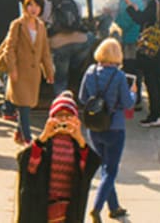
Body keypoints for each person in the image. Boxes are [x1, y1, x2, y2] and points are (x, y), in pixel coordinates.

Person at [15, 92, 101, 223]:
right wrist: (44, 135)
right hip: (43, 209)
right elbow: (29, 167)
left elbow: (87, 169)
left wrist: (80, 138)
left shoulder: (77, 145)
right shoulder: (45, 143)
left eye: (69, 116)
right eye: (59, 115)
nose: (64, 119)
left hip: (68, 212)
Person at [80, 38, 139, 221]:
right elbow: (128, 103)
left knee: (105, 167)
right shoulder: (119, 76)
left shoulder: (90, 72)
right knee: (111, 170)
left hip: (94, 127)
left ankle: (114, 207)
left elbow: (83, 98)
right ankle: (96, 208)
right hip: (115, 127)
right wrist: (134, 92)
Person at [0, 0, 56, 145]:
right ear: (25, 6)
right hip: (19, 71)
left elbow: (45, 52)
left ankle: (19, 132)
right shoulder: (17, 24)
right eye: (30, 5)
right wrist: (12, 69)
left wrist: (49, 71)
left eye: (37, 6)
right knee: (23, 106)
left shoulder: (41, 26)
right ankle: (27, 138)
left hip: (33, 74)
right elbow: (9, 49)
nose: (33, 9)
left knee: (27, 105)